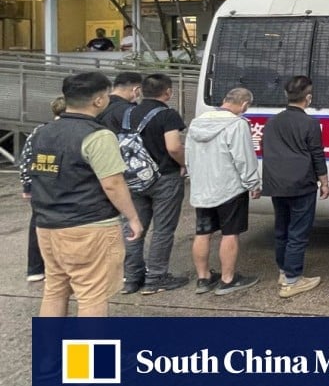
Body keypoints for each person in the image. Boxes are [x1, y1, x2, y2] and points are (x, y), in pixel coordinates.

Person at [28, 72, 144, 317]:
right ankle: (85, 357)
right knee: (92, 295)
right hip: (89, 226)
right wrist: (132, 217)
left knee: (55, 289)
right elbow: (113, 183)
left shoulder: (42, 132)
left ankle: (49, 355)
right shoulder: (98, 136)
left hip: (47, 224)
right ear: (99, 101)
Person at [186, 88, 262, 296]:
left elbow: (188, 156)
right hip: (229, 188)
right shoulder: (237, 125)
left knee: (203, 233)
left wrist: (195, 178)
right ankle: (227, 280)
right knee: (230, 233)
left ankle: (203, 279)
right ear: (245, 105)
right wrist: (253, 184)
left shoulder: (196, 123)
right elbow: (243, 159)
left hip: (202, 188)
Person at [261, 76, 329, 298]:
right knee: (298, 232)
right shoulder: (309, 123)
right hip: (301, 183)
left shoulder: (272, 122)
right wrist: (324, 182)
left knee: (281, 229)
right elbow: (317, 154)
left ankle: (283, 271)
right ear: (308, 98)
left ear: (286, 96)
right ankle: (292, 280)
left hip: (276, 184)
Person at [123, 73, 188, 295]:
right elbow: (173, 147)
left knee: (133, 227)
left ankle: (131, 278)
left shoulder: (128, 113)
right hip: (164, 178)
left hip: (133, 178)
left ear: (141, 91)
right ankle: (156, 277)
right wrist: (184, 163)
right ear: (168, 92)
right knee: (162, 229)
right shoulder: (167, 115)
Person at [19, 96, 68, 283]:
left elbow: (27, 158)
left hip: (40, 183)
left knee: (37, 224)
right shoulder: (72, 131)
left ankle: (35, 268)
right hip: (62, 184)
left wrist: (26, 185)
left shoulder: (39, 131)